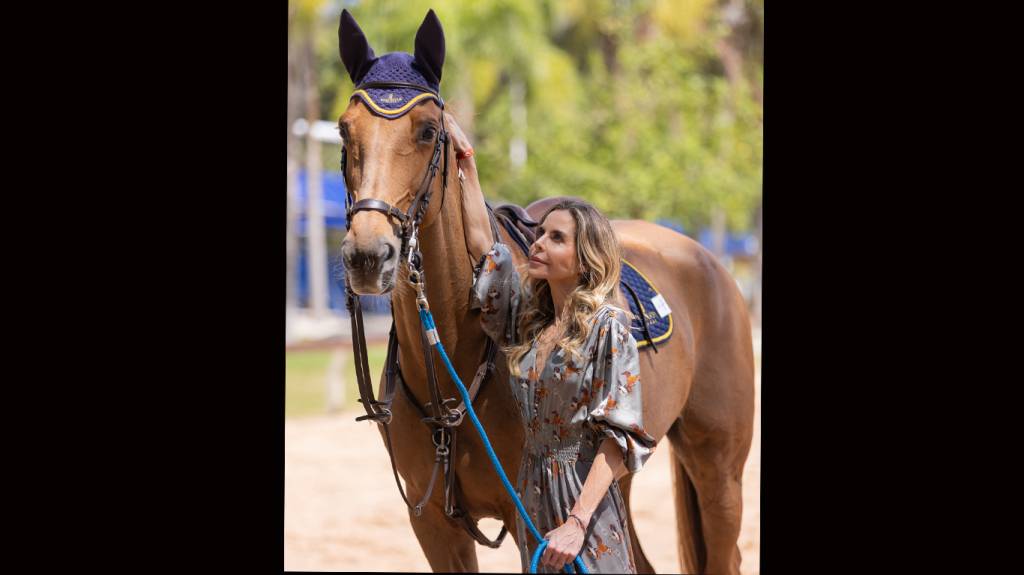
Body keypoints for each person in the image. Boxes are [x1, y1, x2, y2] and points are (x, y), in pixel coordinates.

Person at [451, 121, 657, 573]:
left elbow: (621, 438)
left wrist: (577, 522)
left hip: (583, 497)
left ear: (586, 257)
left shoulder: (609, 329)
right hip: (533, 486)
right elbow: (486, 248)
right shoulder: (528, 321)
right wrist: (468, 166)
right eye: (541, 233)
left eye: (556, 237)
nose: (538, 243)